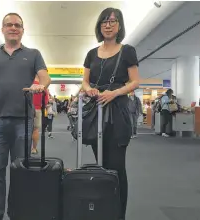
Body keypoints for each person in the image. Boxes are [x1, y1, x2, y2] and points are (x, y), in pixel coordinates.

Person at [0, 12, 51, 220]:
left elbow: (45, 76)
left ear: (23, 30)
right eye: (9, 24)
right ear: (3, 29)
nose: (13, 28)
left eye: (17, 25)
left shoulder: (33, 54)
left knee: (21, 173)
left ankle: (18, 214)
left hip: (23, 123)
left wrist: (41, 84)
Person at [81, 8, 140, 220]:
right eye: (104, 21)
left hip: (118, 112)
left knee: (117, 166)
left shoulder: (127, 51)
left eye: (113, 21)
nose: (108, 25)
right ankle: (103, 210)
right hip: (96, 113)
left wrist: (114, 92)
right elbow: (85, 81)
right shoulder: (91, 54)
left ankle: (118, 214)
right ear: (99, 25)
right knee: (101, 164)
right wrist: (88, 89)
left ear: (119, 26)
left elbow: (135, 81)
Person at [31, 76, 49, 154]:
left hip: (25, 109)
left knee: (23, 129)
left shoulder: (28, 83)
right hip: (37, 109)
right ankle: (34, 149)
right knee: (35, 129)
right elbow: (46, 101)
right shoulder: (42, 85)